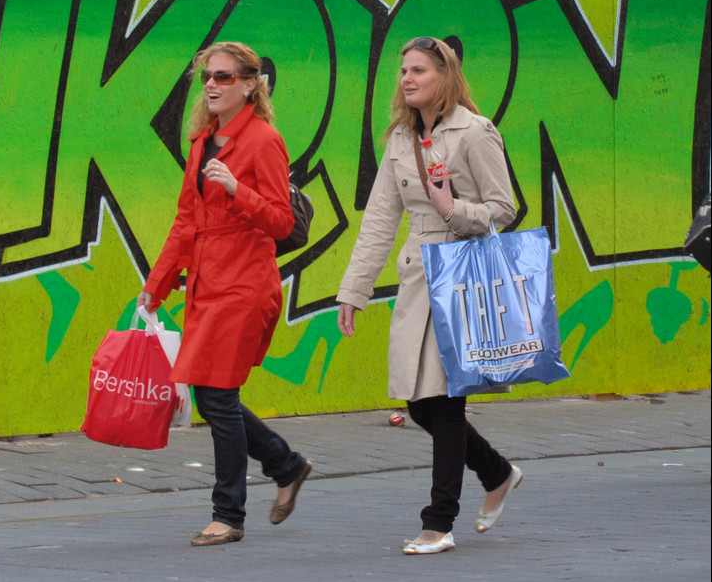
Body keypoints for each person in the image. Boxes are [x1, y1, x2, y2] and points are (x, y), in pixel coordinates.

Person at [336, 36, 523, 555]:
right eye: (403, 70)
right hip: (419, 274)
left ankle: (438, 523)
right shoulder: (400, 136)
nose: (407, 78)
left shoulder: (475, 132)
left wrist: (451, 209)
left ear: (446, 75)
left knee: (444, 403)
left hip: (462, 273)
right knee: (419, 404)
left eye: (419, 69)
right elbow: (379, 219)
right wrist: (354, 290)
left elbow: (503, 209)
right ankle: (497, 472)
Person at [139, 41, 313, 547]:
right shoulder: (202, 141)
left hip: (243, 282)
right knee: (215, 396)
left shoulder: (263, 141)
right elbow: (185, 221)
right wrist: (155, 285)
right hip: (206, 285)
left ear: (250, 85)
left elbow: (283, 222)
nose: (212, 85)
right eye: (206, 79)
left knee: (218, 395)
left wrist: (239, 189)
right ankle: (286, 465)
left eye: (223, 77)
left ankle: (229, 513)